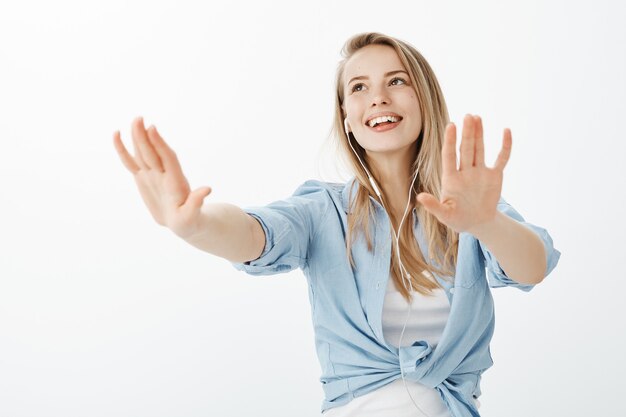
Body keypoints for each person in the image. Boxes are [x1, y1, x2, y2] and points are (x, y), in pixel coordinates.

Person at [113, 32, 560, 417]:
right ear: (347, 118)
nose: (378, 97)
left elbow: (532, 267)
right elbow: (255, 233)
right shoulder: (322, 210)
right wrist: (195, 226)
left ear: (424, 97)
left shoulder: (469, 207)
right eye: (359, 87)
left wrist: (485, 223)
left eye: (397, 81)